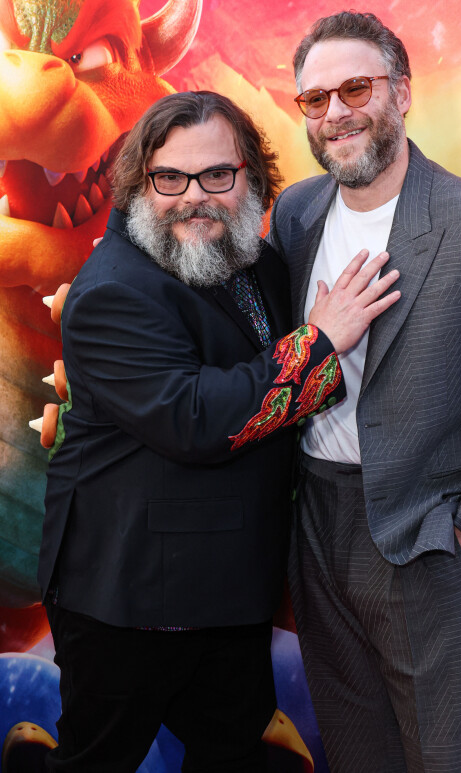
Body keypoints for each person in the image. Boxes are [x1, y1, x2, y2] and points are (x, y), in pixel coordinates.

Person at [37, 90, 401, 773]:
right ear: (139, 185)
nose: (192, 196)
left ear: (253, 179)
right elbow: (195, 418)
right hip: (128, 598)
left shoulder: (256, 262)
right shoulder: (111, 290)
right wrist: (319, 343)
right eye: (168, 178)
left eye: (216, 175)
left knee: (232, 756)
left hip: (228, 590)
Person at [267, 12, 461, 773]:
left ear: (401, 92)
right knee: (357, 751)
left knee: (445, 760)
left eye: (355, 88)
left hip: (427, 536)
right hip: (317, 530)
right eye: (314, 99)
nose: (335, 113)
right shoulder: (296, 214)